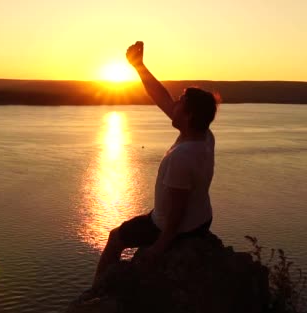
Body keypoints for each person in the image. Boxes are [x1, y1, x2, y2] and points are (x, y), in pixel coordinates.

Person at [93, 41, 220, 285]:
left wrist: (159, 247)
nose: (174, 105)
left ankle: (97, 290)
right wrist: (139, 67)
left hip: (176, 227)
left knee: (115, 238)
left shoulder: (182, 156)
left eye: (180, 102)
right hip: (202, 219)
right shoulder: (204, 136)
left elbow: (176, 213)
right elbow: (162, 97)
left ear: (189, 115)